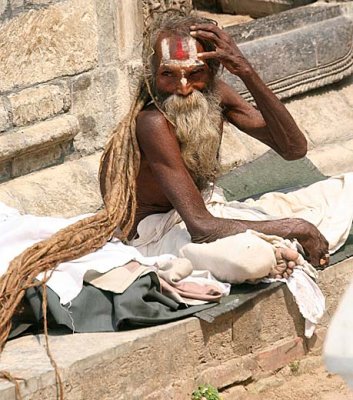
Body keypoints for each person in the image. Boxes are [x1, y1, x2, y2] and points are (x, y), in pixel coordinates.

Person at [102, 12, 330, 281]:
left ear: (213, 70)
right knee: (251, 257)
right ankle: (271, 254)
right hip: (157, 235)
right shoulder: (152, 123)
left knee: (344, 190)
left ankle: (275, 251)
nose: (184, 87)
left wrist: (245, 70)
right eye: (168, 75)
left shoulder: (216, 93)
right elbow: (200, 226)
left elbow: (293, 149)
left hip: (209, 215)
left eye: (195, 72)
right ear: (151, 74)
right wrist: (295, 228)